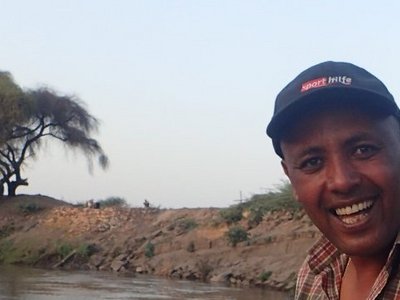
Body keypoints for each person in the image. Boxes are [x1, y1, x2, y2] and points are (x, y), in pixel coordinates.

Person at [266, 61, 400, 299]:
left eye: (363, 150)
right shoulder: (315, 273)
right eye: (312, 162)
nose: (341, 181)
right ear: (291, 179)